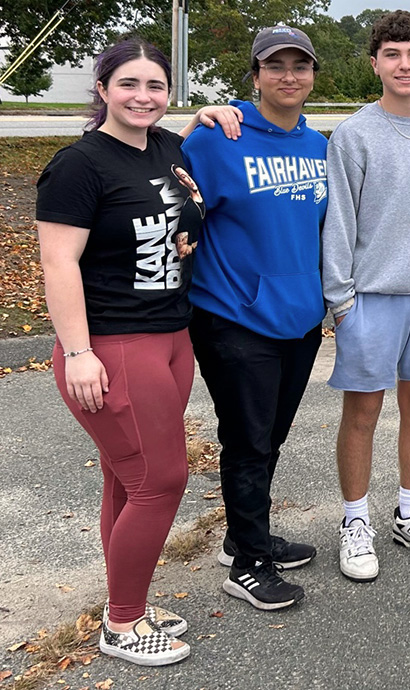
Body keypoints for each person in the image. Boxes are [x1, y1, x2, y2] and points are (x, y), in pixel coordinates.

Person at [36, 37, 201, 666]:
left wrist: (203, 120)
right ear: (102, 89)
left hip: (171, 339)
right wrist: (79, 352)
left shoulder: (168, 146)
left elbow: (175, 201)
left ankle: (126, 598)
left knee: (126, 479)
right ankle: (123, 623)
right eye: (128, 84)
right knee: (161, 481)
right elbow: (58, 262)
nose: (143, 96)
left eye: (155, 86)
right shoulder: (79, 165)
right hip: (113, 344)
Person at [180, 25, 328, 610]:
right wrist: (194, 122)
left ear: (314, 75)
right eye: (275, 66)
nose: (288, 76)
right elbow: (159, 174)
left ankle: (247, 532)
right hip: (233, 316)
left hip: (300, 317)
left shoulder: (319, 145)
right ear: (256, 75)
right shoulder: (221, 139)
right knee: (247, 439)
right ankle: (247, 562)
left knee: (271, 436)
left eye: (300, 65)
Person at [322, 10, 410, 582]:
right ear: (375, 62)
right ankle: (355, 522)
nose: (404, 64)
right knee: (363, 411)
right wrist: (343, 301)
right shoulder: (354, 134)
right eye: (392, 54)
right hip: (372, 298)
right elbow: (339, 222)